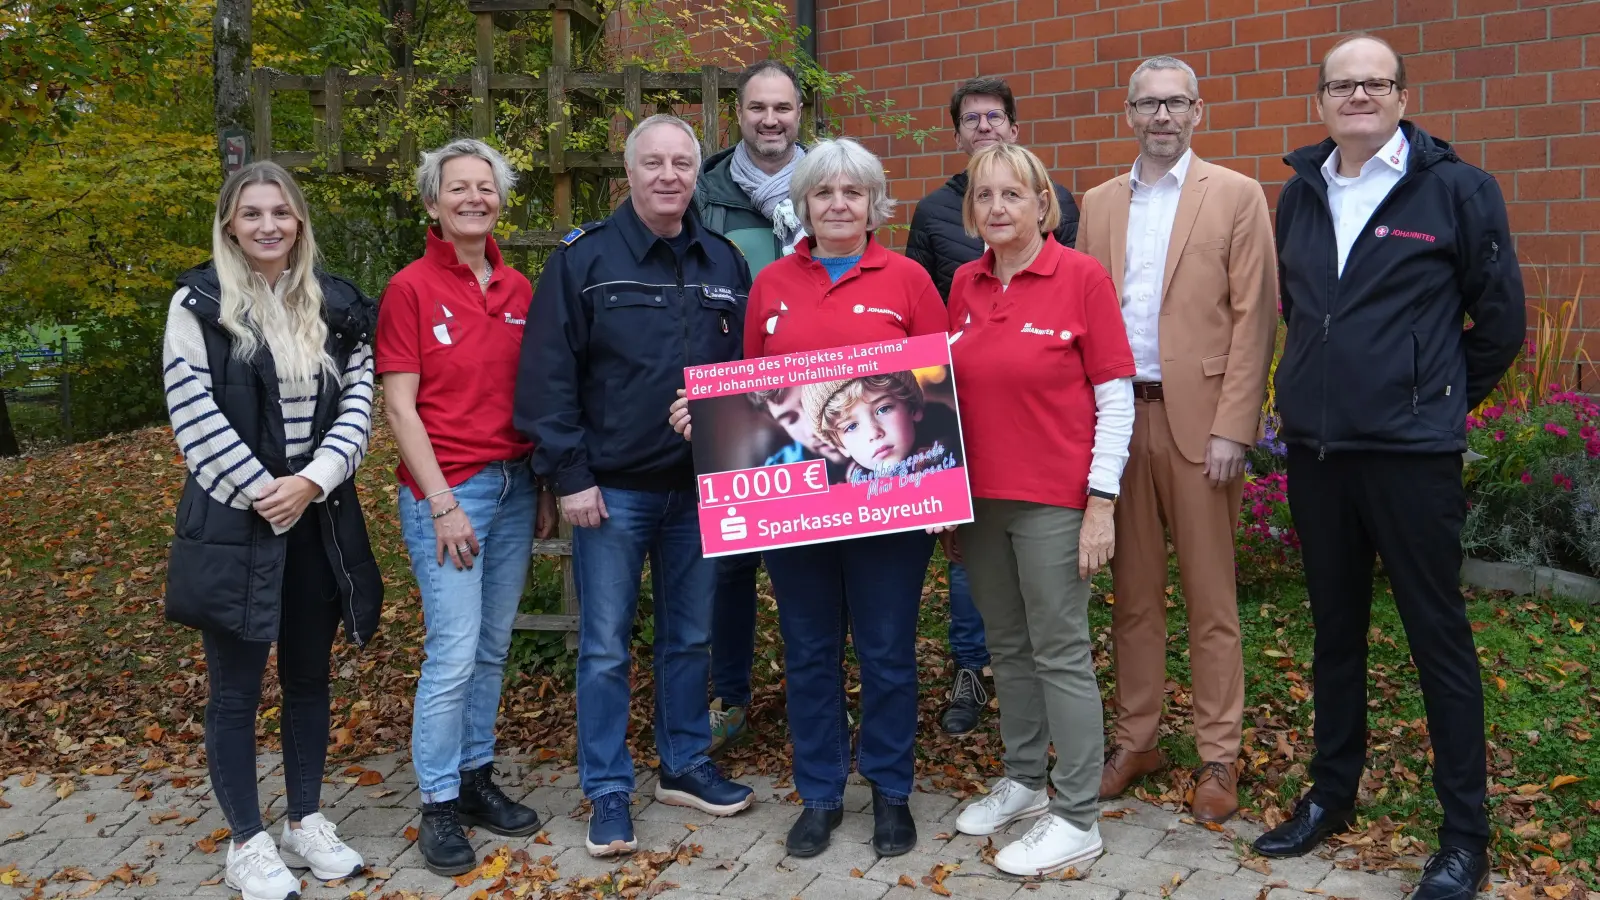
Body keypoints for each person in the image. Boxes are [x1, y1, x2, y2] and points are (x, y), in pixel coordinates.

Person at [1252, 34, 1525, 900]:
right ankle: (1332, 795)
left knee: (1435, 639)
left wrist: (1431, 403)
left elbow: (1502, 323)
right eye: (1343, 84)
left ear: (1403, 96)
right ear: (1321, 100)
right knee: (1335, 636)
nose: (1358, 95)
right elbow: (1299, 311)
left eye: (1375, 83)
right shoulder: (1299, 194)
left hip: (1412, 461)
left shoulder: (1457, 189)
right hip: (1320, 459)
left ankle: (1463, 837)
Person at [670, 137, 948, 860]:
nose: (838, 205)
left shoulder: (910, 280)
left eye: (852, 193)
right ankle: (820, 793)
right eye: (824, 193)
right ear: (805, 204)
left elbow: (937, 395)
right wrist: (705, 418)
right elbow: (752, 401)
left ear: (874, 204)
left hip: (892, 506)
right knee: (810, 651)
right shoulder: (773, 286)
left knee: (887, 652)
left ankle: (891, 791)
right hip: (797, 508)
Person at [517, 114, 756, 858]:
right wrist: (571, 476)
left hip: (699, 490)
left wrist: (721, 416)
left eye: (681, 163)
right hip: (611, 492)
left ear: (696, 173)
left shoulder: (724, 261)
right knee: (604, 647)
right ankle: (608, 788)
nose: (668, 176)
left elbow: (752, 378)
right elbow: (547, 377)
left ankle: (683, 764)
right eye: (652, 163)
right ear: (628, 172)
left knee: (690, 638)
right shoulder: (583, 260)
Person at [162, 160, 382, 900]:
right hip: (235, 524)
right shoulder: (197, 304)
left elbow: (359, 404)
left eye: (280, 213)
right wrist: (265, 492)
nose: (267, 226)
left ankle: (306, 819)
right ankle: (248, 842)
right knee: (234, 692)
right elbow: (192, 414)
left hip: (316, 519)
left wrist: (312, 482)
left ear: (299, 222)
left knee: (309, 682)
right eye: (252, 213)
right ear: (230, 222)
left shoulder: (340, 306)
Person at [1076, 56, 1278, 823]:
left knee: (1211, 599)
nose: (1162, 116)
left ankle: (1218, 755)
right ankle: (1138, 738)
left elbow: (1254, 314)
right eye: (1147, 104)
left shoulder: (1235, 194)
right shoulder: (1096, 204)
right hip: (1119, 426)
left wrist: (1236, 426)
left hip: (1202, 429)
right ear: (1128, 113)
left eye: (1175, 103)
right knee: (1131, 598)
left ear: (1199, 111)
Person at [944, 143, 1135, 878]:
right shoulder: (963, 282)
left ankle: (1078, 815)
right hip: (981, 503)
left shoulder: (1080, 277)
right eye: (984, 196)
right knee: (1007, 646)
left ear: (1042, 204)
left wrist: (1101, 503)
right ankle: (1024, 781)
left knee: (1059, 651)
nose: (998, 208)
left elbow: (1115, 396)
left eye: (1013, 196)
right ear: (971, 211)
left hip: (1057, 500)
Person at [376, 139, 554, 877]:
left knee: (491, 645)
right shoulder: (411, 288)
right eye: (458, 189)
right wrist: (445, 501)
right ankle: (439, 804)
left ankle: (477, 777)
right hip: (448, 491)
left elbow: (538, 395)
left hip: (513, 487)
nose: (474, 198)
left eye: (486, 187)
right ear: (432, 203)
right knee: (452, 653)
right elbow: (398, 406)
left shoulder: (520, 290)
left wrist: (541, 483)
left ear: (499, 201)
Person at [906, 75, 1082, 736]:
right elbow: (923, 316)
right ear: (956, 134)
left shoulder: (1054, 200)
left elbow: (1071, 303)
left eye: (995, 116)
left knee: (1044, 580)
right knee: (970, 567)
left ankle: (1044, 687)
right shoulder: (934, 211)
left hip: (1038, 428)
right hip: (965, 418)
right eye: (971, 119)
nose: (983, 126)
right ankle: (972, 671)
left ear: (1012, 126)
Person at [695, 59, 809, 751]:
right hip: (730, 405)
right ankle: (729, 696)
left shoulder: (831, 186)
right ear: (737, 114)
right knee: (729, 566)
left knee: (811, 566)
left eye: (784, 108)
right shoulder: (704, 196)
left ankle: (813, 699)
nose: (771, 120)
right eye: (758, 108)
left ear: (801, 114)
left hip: (812, 401)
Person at [802, 372, 962, 483]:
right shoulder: (847, 501)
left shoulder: (962, 457)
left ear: (913, 408)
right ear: (840, 446)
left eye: (883, 409)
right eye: (851, 427)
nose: (873, 433)